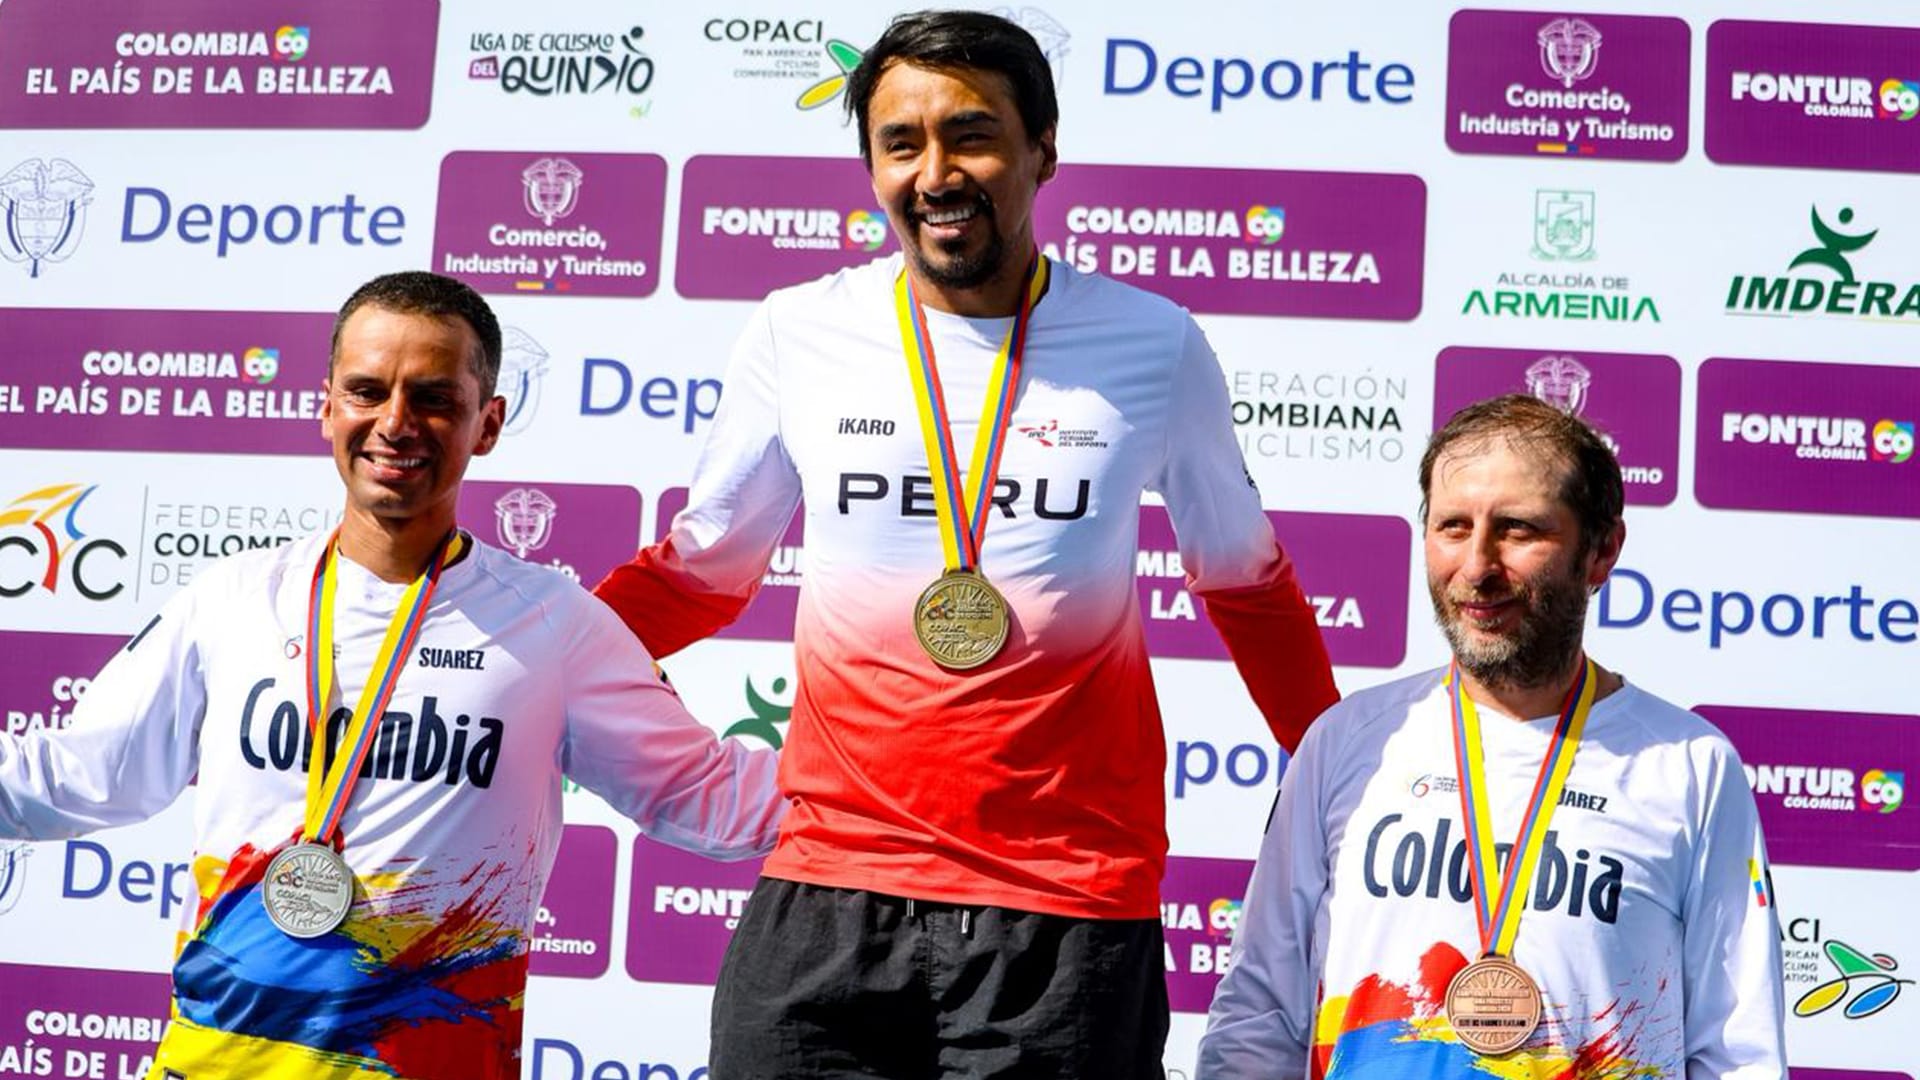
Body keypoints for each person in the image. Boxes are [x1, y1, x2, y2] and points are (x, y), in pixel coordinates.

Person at [592, 10, 1339, 1077]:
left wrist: (1338, 787)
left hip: (1066, 908)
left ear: (1044, 149)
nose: (936, 174)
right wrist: (518, 664)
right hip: (827, 891)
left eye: (972, 135)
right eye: (901, 143)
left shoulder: (1154, 343)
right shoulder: (797, 332)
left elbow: (1247, 587)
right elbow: (700, 573)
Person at [0, 271, 783, 1080]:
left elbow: (709, 799)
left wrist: (876, 762)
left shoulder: (556, 626)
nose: (396, 423)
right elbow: (74, 776)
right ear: (327, 407)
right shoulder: (232, 600)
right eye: (367, 391)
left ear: (488, 424)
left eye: (434, 398)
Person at [1198, 394, 1786, 1078]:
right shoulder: (1347, 742)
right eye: (1453, 526)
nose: (1477, 567)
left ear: (1601, 551)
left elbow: (1738, 1051)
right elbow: (1260, 1013)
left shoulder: (1688, 765)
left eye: (1517, 529)